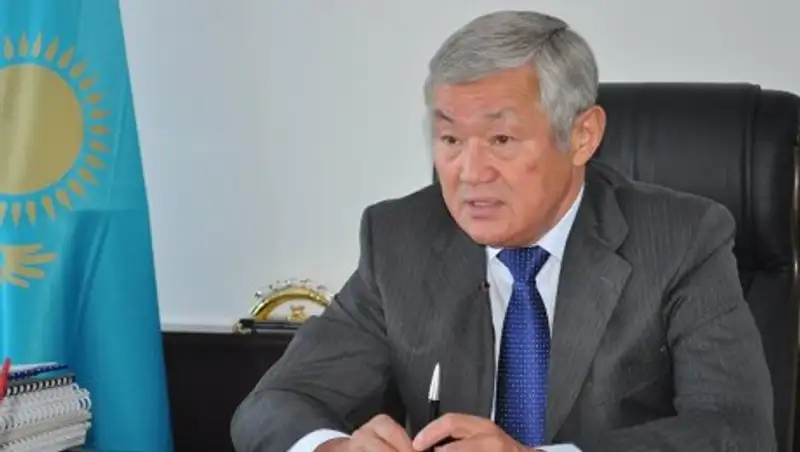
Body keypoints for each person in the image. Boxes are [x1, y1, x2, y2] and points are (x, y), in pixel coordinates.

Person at [230, 9, 776, 452]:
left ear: (582, 136)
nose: (470, 173)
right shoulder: (398, 240)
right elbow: (272, 405)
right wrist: (334, 448)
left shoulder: (682, 240)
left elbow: (736, 432)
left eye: (502, 140)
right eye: (450, 140)